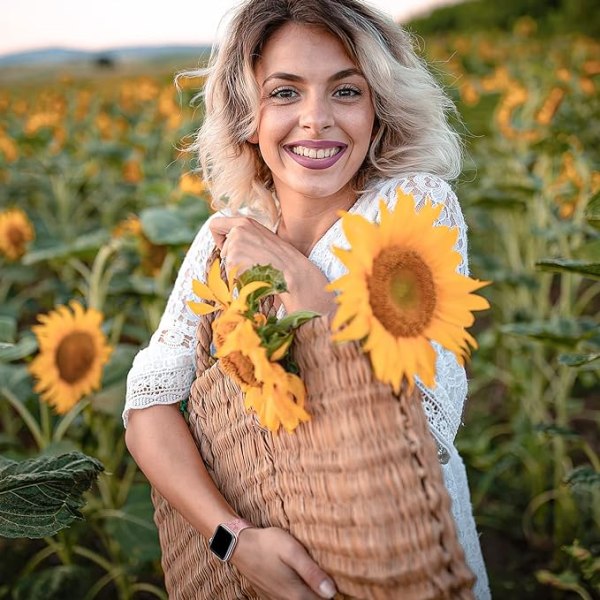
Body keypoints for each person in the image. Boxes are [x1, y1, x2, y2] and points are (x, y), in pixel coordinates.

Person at [124, 0, 491, 598]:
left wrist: (293, 273)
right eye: (285, 93)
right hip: (262, 563)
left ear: (379, 110)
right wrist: (235, 541)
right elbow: (147, 409)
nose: (316, 119)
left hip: (397, 555)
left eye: (346, 92)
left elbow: (427, 420)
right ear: (248, 116)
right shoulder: (224, 235)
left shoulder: (412, 208)